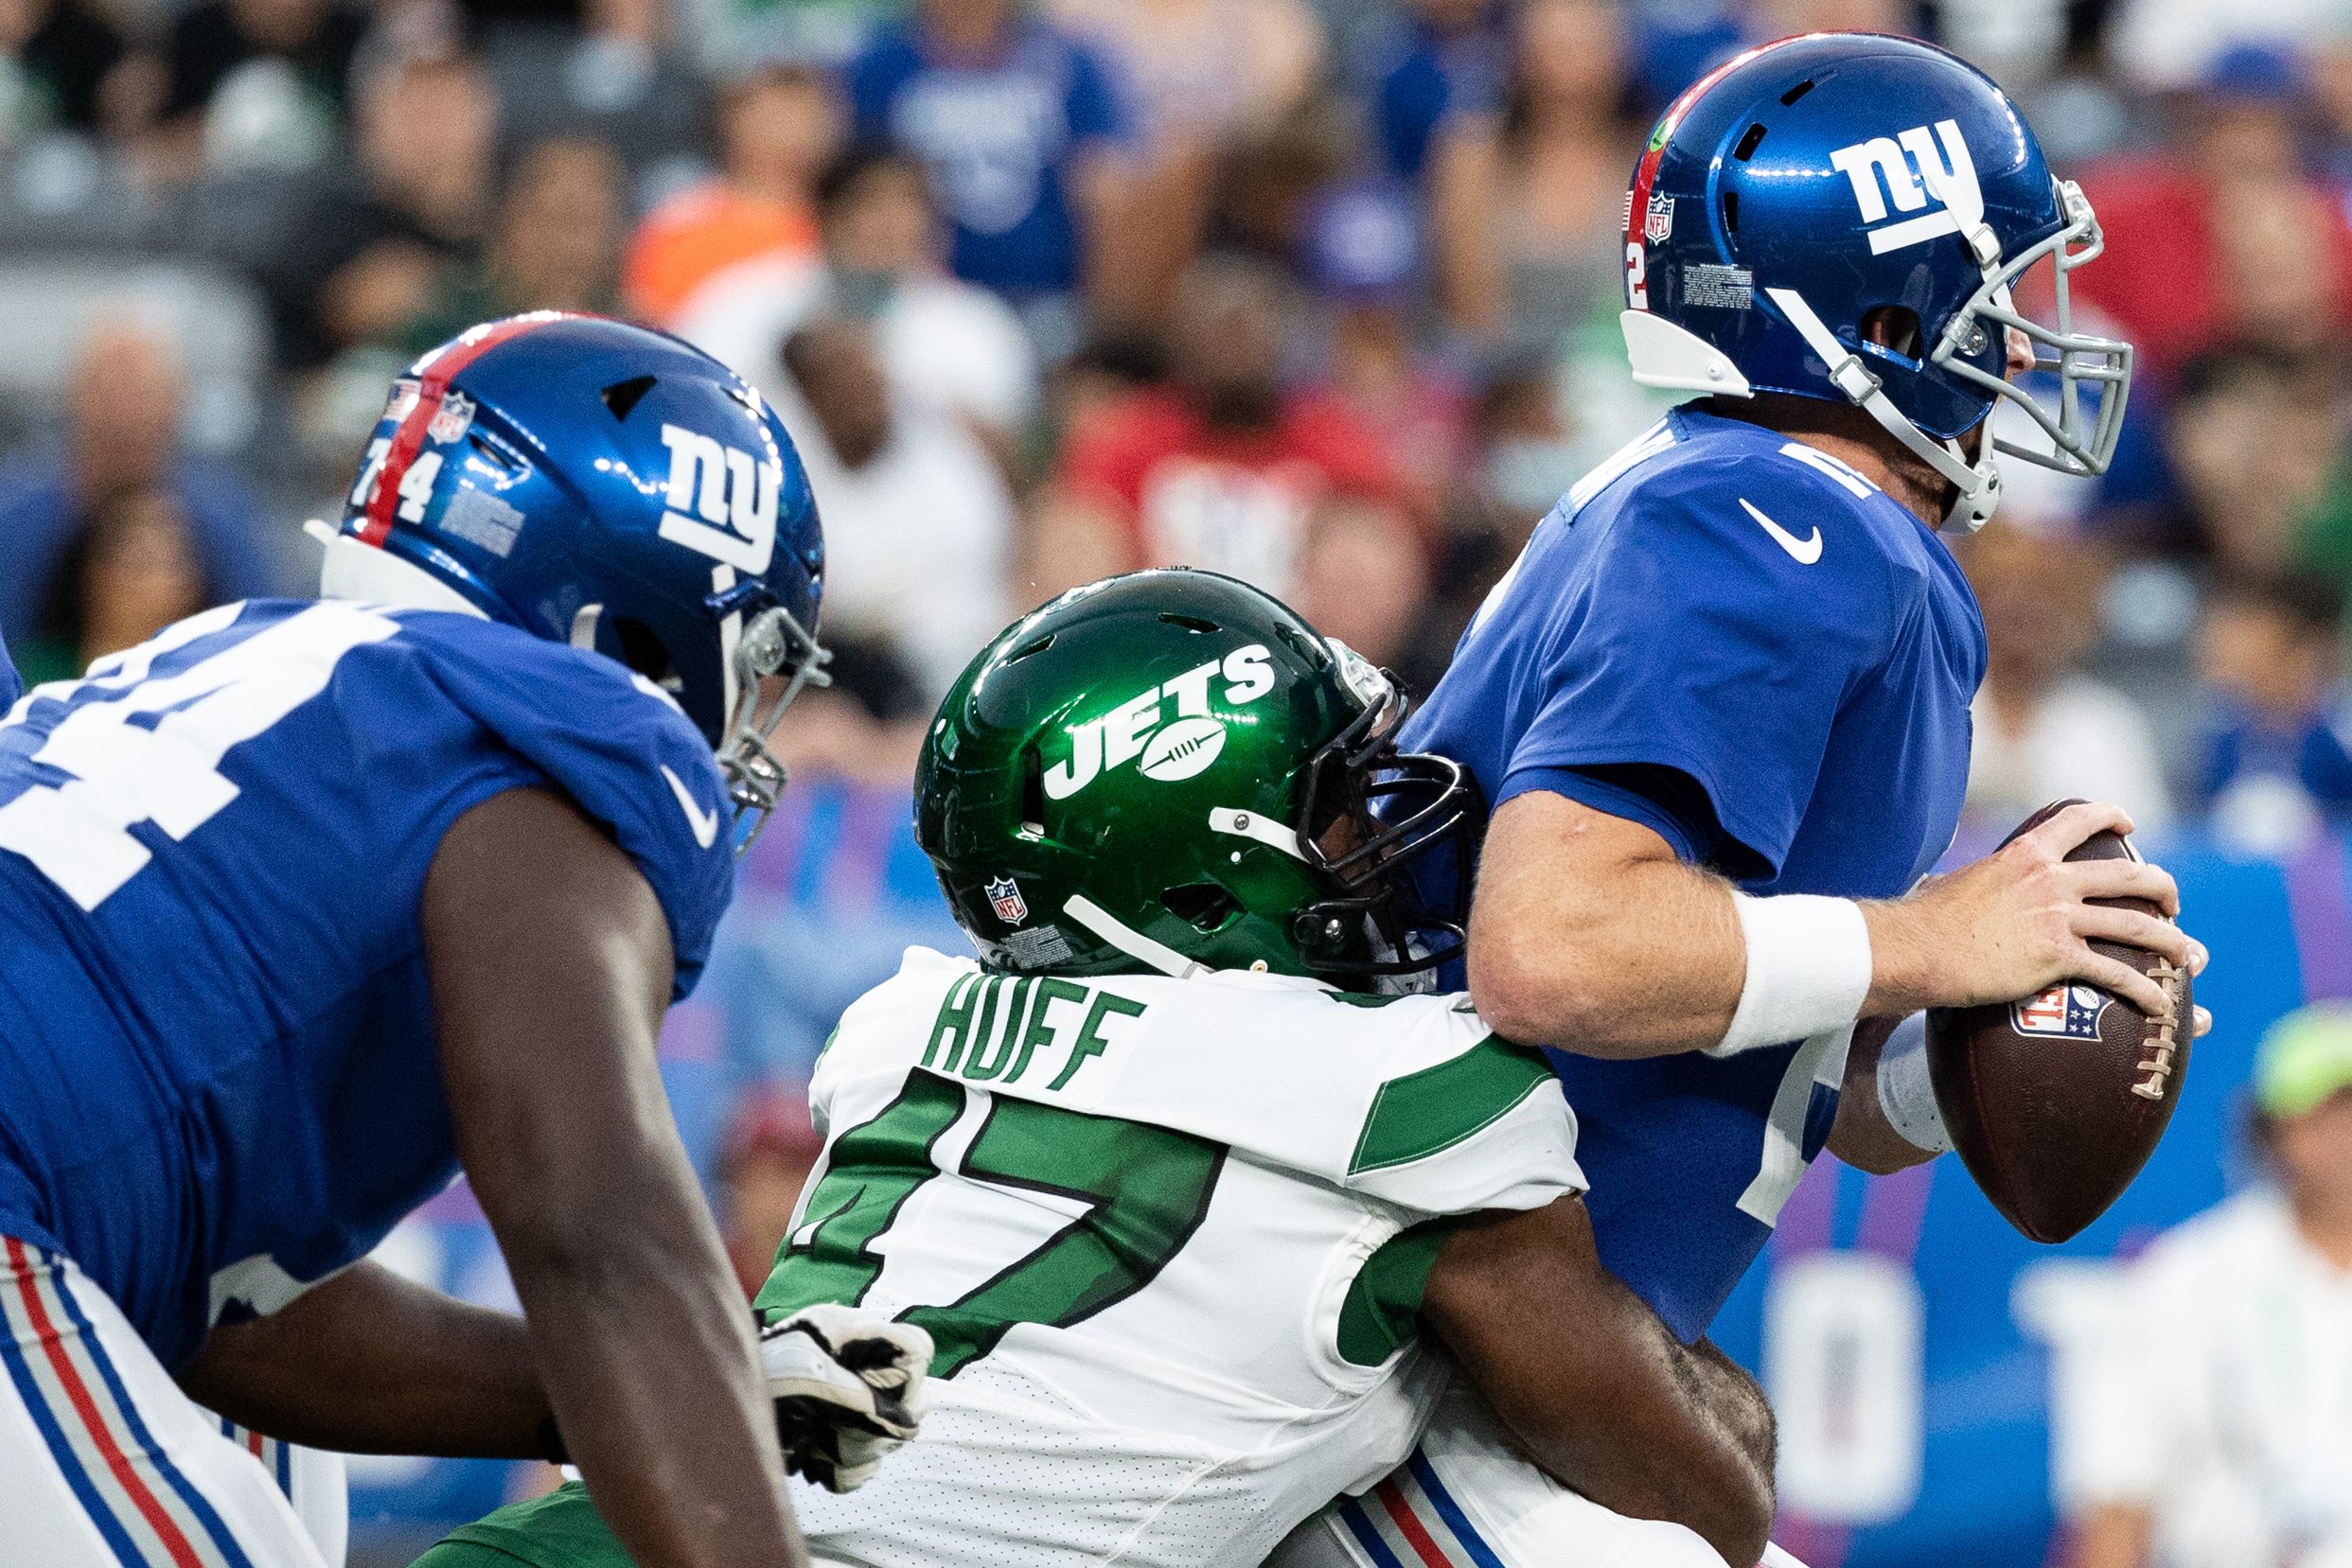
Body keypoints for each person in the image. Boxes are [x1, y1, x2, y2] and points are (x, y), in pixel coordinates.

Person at [1271, 33, 2213, 1564]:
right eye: (1993, 299)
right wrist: (1934, 940)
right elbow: (1556, 951)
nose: (2026, 349)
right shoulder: (1781, 517)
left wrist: (1978, 1057)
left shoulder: (1762, 508)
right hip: (1409, 1356)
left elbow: (1746, 1048)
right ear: (1885, 312)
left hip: (1471, 1335)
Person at [415, 569, 1779, 1568]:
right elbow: (1696, 1493)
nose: (1376, 842)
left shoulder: (895, 1031)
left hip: (583, 1534)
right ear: (1195, 857)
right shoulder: (1399, 1091)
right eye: (1327, 803)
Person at [0, 313, 910, 1568]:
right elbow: (598, 1228)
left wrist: (686, 1383)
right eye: (749, 661)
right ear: (635, 624)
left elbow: (224, 1315)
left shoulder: (233, 662)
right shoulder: (549, 735)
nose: (743, 725)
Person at [2065, 1002, 2352, 1568]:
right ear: (2275, 1132)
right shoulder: (2187, 1280)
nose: (2346, 1137)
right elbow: (2119, 1502)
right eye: (2326, 1113)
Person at [1054, 254, 1407, 601]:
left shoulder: (1333, 440)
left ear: (1285, 332)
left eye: (1249, 324)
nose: (1235, 341)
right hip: (1154, 637)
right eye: (1219, 324)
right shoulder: (1130, 438)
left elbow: (1396, 539)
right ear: (1181, 334)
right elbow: (1081, 540)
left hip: (1304, 644)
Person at [675, 141, 1039, 476]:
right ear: (827, 215)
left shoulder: (975, 325)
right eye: (871, 204)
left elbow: (1007, 463)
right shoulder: (745, 302)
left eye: (909, 205)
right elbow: (689, 406)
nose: (890, 224)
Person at [842, 0, 1135, 328]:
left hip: (1048, 301)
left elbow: (1105, 195)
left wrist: (1102, 311)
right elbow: (853, 190)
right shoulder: (877, 68)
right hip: (920, 302)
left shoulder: (1070, 65)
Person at [0, 320, 279, 658]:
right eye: (106, 388)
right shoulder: (16, 516)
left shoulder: (223, 518)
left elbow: (259, 639)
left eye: (139, 389)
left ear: (174, 398)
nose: (123, 409)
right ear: (74, 394)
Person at [623, 62, 840, 328]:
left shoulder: (852, 222)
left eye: (809, 115)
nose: (796, 130)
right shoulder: (677, 227)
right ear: (731, 118)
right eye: (779, 115)